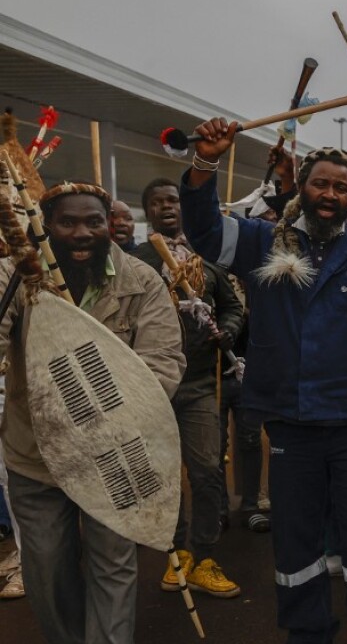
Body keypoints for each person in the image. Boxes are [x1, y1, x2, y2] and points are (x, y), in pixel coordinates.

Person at [179, 108, 347, 643]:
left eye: (341, 187)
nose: (330, 194)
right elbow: (206, 234)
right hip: (290, 426)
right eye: (320, 184)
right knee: (297, 547)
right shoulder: (261, 242)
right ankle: (307, 633)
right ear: (301, 187)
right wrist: (203, 166)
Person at [1, 181, 184, 643]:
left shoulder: (140, 280)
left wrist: (106, 415)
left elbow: (163, 362)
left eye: (93, 222)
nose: (81, 233)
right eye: (67, 222)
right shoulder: (13, 275)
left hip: (115, 456)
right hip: (34, 458)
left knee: (114, 565)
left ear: (109, 227)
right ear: (45, 226)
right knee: (46, 571)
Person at [132, 177, 245, 598]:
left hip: (201, 382)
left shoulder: (207, 256)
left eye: (174, 200)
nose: (167, 207)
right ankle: (176, 553)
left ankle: (205, 555)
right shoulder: (137, 260)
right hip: (152, 386)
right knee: (165, 474)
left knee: (207, 469)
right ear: (148, 211)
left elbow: (233, 306)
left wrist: (228, 332)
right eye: (157, 201)